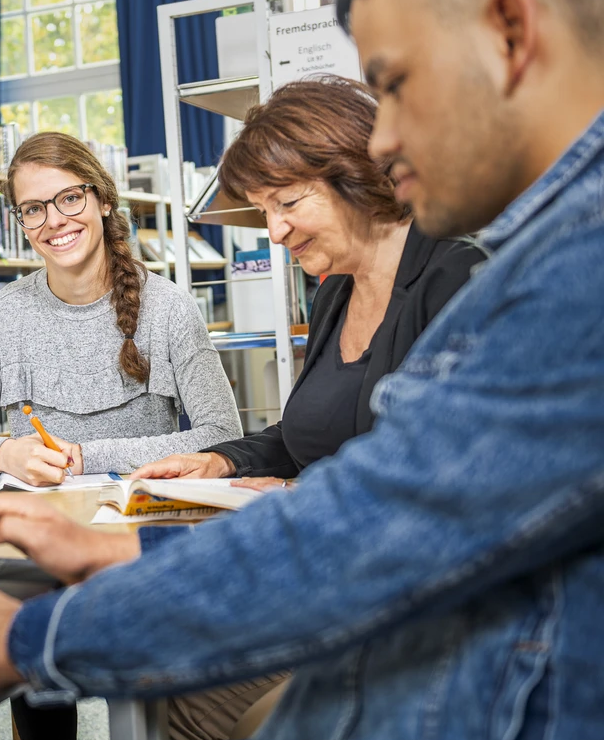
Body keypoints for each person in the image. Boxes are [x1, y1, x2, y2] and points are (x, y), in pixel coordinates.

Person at [0, 0, 604, 740]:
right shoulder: (521, 253)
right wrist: (134, 537)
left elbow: (372, 521)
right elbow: (361, 486)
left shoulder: (562, 269)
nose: (385, 139)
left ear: (511, 32)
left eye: (396, 85)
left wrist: (24, 637)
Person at [135, 77, 485, 489]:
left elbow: (460, 465)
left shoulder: (460, 278)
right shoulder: (336, 292)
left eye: (287, 203)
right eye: (264, 211)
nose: (275, 232)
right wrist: (221, 460)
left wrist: (296, 494)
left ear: (354, 175)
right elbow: (312, 434)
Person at [0, 131, 242, 486]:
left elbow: (223, 435)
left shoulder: (170, 308)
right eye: (33, 209)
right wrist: (6, 454)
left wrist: (86, 458)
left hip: (141, 514)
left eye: (69, 198)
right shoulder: (0, 315)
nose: (54, 221)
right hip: (42, 516)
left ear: (104, 200)